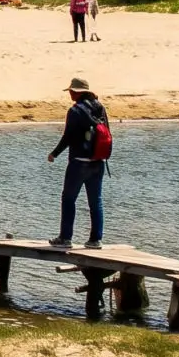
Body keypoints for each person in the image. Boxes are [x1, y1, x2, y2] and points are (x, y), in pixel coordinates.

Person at [47, 77, 109, 249]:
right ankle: (95, 240)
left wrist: (54, 153)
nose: (70, 94)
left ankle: (65, 238)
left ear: (76, 92)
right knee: (95, 201)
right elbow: (107, 131)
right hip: (98, 162)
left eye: (71, 92)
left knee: (68, 199)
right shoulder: (100, 107)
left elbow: (68, 137)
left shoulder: (74, 111)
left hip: (79, 163)